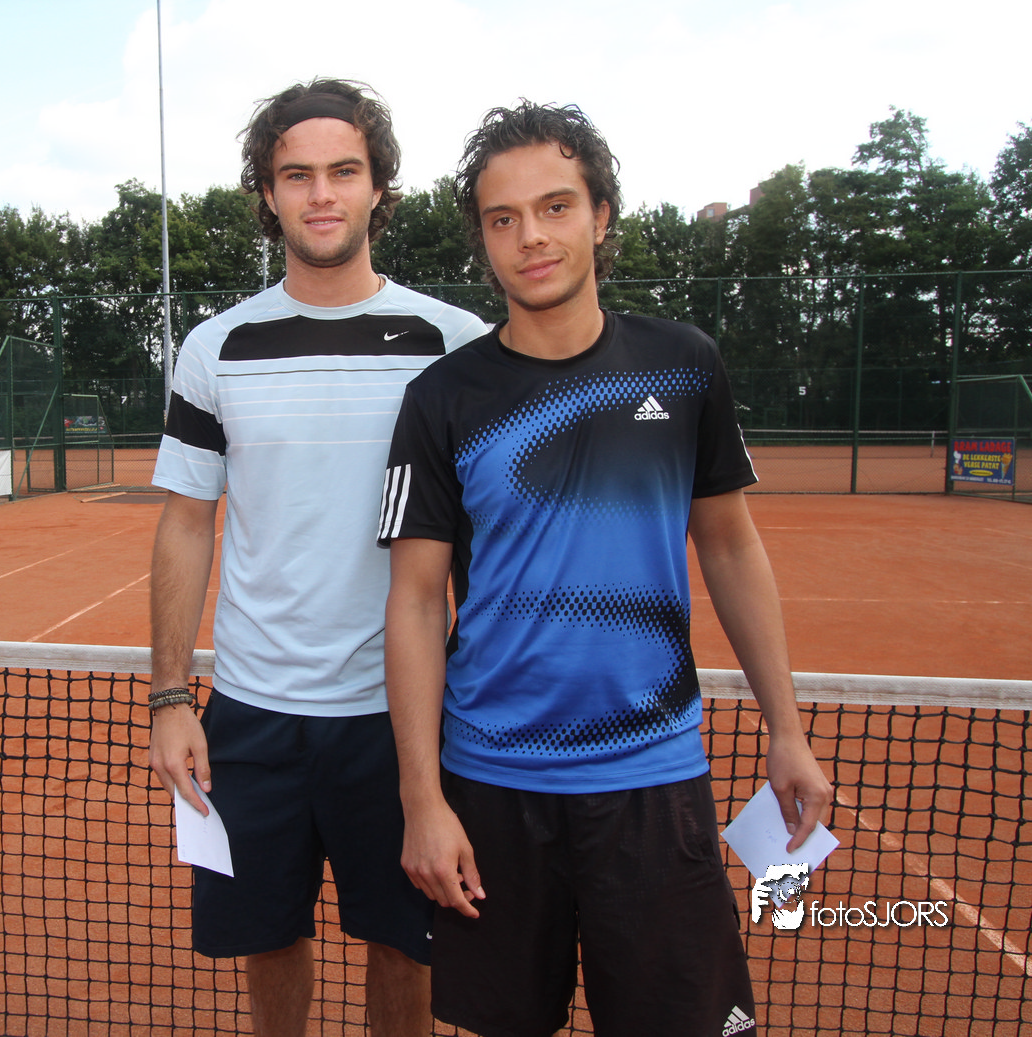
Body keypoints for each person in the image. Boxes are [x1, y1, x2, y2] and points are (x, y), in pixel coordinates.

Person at [378, 102, 834, 1037]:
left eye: (554, 206)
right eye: (502, 218)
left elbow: (730, 546)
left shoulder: (684, 365)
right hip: (491, 786)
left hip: (653, 780)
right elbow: (416, 601)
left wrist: (786, 730)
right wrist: (421, 799)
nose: (530, 236)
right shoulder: (440, 397)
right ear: (482, 239)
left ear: (599, 215)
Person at [147, 78, 486, 1037]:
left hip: (402, 716)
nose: (322, 193)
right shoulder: (215, 347)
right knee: (268, 939)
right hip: (252, 714)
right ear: (267, 193)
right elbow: (185, 523)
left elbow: (484, 539)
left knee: (405, 941)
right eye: (296, 175)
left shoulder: (456, 345)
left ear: (379, 187)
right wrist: (170, 696)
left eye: (344, 170)